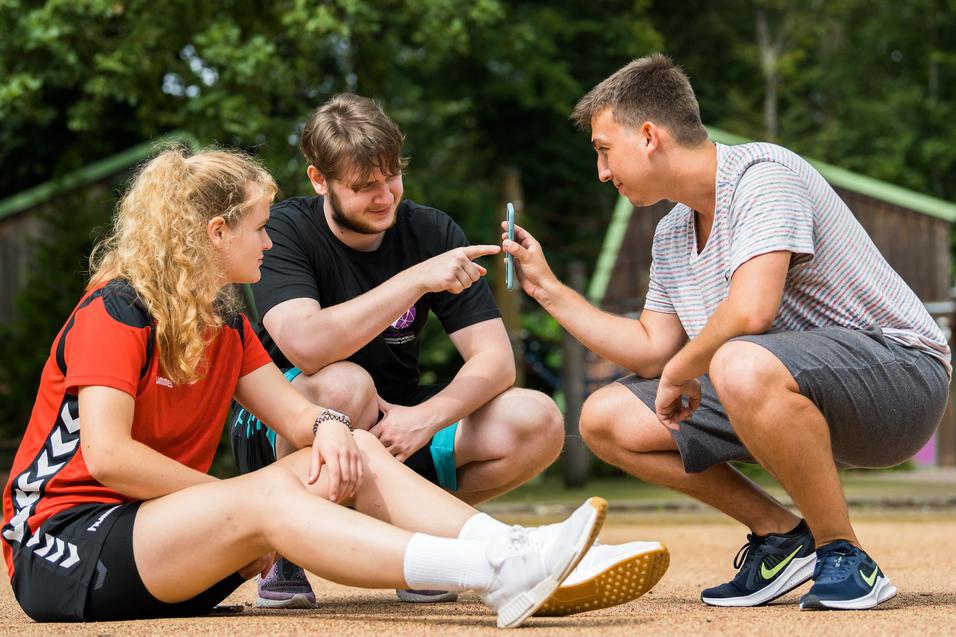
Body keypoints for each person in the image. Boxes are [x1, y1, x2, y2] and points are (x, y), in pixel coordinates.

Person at [0, 146, 617, 628]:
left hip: (160, 539)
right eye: (260, 228)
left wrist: (328, 430)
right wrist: (228, 507)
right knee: (268, 496)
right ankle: (493, 572)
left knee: (353, 446)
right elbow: (109, 457)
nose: (270, 241)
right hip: (65, 548)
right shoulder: (118, 311)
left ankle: (515, 548)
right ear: (217, 233)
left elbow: (297, 418)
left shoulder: (224, 323)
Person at [502, 54, 950, 611]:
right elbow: (650, 349)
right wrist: (548, 290)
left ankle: (847, 555)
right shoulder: (670, 232)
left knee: (736, 360)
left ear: (648, 136)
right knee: (606, 419)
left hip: (901, 379)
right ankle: (784, 539)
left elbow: (752, 310)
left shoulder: (764, 175)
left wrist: (681, 368)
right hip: (783, 388)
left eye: (603, 149)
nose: (601, 171)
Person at [229, 93, 667, 611]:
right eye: (364, 186)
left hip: (397, 420)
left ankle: (431, 546)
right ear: (319, 180)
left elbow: (496, 361)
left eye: (392, 176)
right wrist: (414, 281)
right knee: (344, 385)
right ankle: (287, 550)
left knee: (538, 418)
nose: (384, 196)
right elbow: (304, 347)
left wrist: (424, 417)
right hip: (296, 418)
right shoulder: (283, 228)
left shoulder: (431, 229)